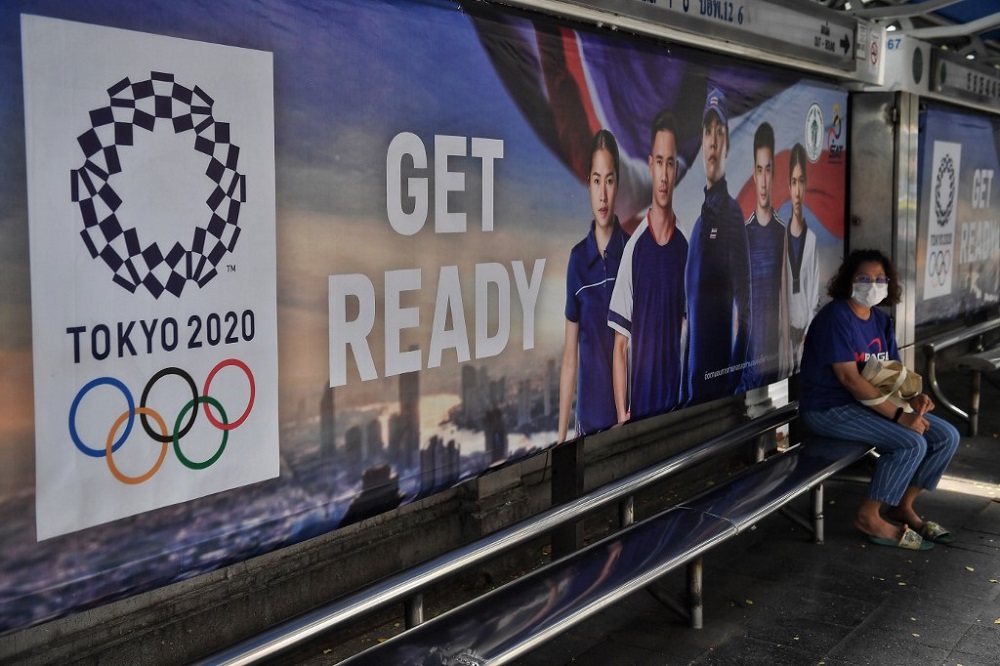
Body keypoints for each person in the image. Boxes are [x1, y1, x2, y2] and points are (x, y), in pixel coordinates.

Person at [800, 248, 960, 550]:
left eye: (879, 279)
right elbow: (850, 380)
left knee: (946, 436)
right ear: (848, 279)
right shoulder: (836, 317)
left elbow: (891, 373)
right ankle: (869, 516)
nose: (872, 284)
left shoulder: (880, 321)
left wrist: (915, 399)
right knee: (911, 441)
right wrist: (901, 418)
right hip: (829, 408)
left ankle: (902, 505)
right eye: (864, 278)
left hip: (864, 405)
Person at [608, 110, 688, 422]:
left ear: (676, 168)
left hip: (679, 409)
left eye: (670, 163)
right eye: (659, 162)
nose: (664, 173)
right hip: (642, 410)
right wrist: (622, 418)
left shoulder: (686, 249)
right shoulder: (635, 249)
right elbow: (619, 347)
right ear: (650, 166)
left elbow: (691, 338)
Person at [558, 129, 628, 441]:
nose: (602, 194)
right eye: (596, 180)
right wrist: (560, 439)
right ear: (588, 183)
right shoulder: (576, 261)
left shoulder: (632, 252)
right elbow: (570, 358)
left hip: (630, 418)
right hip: (587, 424)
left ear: (618, 184)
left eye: (609, 180)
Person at [685, 86, 752, 403]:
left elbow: (748, 313)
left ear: (726, 145)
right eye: (707, 131)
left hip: (717, 401)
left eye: (720, 132)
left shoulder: (731, 214)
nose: (712, 140)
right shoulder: (698, 225)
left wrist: (731, 384)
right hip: (691, 402)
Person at [742, 122, 790, 388]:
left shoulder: (781, 232)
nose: (762, 179)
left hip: (773, 347)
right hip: (748, 348)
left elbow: (783, 295)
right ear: (754, 173)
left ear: (773, 173)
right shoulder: (745, 233)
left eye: (767, 170)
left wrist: (785, 353)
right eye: (758, 170)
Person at [786, 143, 820, 373]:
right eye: (793, 182)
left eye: (801, 181)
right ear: (789, 186)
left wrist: (808, 331)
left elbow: (815, 293)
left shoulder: (812, 240)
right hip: (782, 337)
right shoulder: (780, 237)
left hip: (804, 335)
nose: (797, 191)